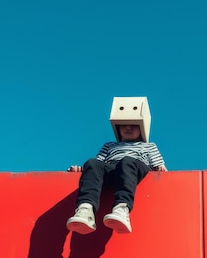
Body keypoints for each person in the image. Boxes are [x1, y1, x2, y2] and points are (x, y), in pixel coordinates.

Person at [66, 98, 166, 234]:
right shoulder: (109, 145)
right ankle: (86, 210)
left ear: (142, 127)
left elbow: (158, 165)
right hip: (112, 168)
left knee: (127, 161)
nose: (128, 127)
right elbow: (98, 164)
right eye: (124, 125)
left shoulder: (149, 146)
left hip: (134, 167)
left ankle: (122, 208)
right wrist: (82, 169)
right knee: (92, 162)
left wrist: (160, 168)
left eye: (133, 125)